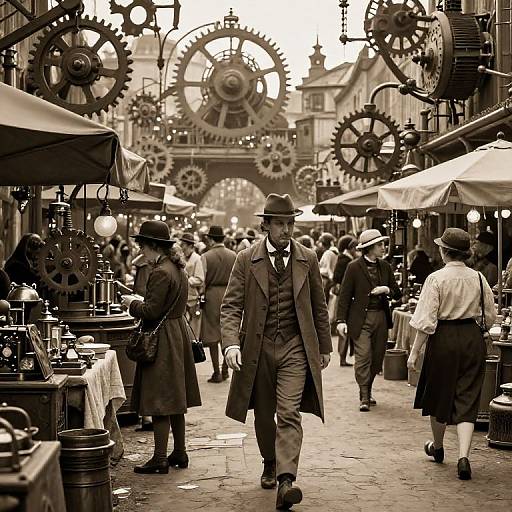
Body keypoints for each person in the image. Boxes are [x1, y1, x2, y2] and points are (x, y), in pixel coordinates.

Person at [221, 193, 332, 510]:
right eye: (280, 224)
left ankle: (286, 479)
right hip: (258, 345)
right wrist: (230, 343)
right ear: (266, 225)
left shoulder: (307, 258)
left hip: (295, 346)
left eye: (290, 223)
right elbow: (230, 306)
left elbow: (318, 306)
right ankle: (269, 461)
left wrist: (323, 346)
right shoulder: (246, 259)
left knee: (288, 412)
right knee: (263, 412)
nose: (287, 230)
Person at [407, 228, 496, 480]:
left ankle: (438, 447)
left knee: (438, 395)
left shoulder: (436, 279)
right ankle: (464, 457)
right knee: (467, 398)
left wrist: (414, 354)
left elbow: (425, 321)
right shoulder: (479, 277)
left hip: (443, 339)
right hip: (472, 339)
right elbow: (489, 316)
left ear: (445, 252)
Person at [120, 220, 201, 474]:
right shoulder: (177, 269)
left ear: (152, 245)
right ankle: (179, 452)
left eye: (142, 245)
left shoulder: (160, 272)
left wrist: (131, 303)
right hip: (177, 335)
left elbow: (152, 311)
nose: (141, 250)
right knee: (176, 399)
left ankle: (159, 458)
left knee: (161, 400)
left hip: (162, 339)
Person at [336, 229, 401, 412]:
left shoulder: (385, 266)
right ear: (369, 248)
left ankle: (368, 388)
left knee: (377, 357)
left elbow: (398, 293)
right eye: (380, 245)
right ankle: (364, 395)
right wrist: (341, 320)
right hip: (360, 319)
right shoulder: (353, 267)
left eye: (383, 244)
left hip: (381, 316)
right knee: (363, 356)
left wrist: (386, 289)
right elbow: (344, 296)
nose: (383, 247)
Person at [200, 225, 237, 383]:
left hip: (212, 295)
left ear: (210, 239)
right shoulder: (233, 255)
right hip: (230, 294)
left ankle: (217, 372)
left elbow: (202, 280)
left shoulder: (206, 256)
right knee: (226, 331)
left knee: (213, 335)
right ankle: (225, 368)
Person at [332, 235, 358, 366]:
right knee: (344, 328)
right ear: (351, 248)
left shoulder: (345, 259)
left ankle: (343, 357)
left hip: (345, 297)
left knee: (345, 329)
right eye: (355, 248)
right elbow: (337, 278)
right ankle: (342, 357)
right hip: (345, 298)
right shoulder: (345, 260)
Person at [179, 232, 204, 337]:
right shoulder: (182, 258)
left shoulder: (197, 259)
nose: (181, 247)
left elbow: (200, 279)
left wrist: (186, 279)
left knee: (194, 330)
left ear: (190, 246)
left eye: (183, 244)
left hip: (193, 299)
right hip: (183, 299)